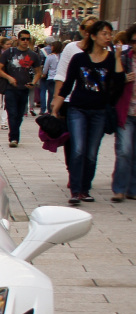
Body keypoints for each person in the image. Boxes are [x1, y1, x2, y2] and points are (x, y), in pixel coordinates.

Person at [53, 20, 121, 204]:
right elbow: (67, 85)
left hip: (99, 111)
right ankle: (75, 191)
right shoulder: (79, 59)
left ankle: (85, 188)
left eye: (110, 34)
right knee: (78, 149)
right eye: (104, 33)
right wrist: (56, 107)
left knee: (91, 153)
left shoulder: (111, 58)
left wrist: (118, 58)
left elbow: (118, 83)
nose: (108, 37)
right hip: (78, 109)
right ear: (93, 36)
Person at [0, 30, 43, 148]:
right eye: (23, 39)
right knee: (12, 113)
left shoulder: (33, 55)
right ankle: (14, 137)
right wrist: (9, 78)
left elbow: (38, 72)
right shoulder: (9, 53)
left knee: (20, 114)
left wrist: (33, 82)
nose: (25, 41)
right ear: (18, 40)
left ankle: (14, 134)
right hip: (11, 88)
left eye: (28, 39)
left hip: (24, 88)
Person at [112, 25, 136, 202]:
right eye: (134, 41)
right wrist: (124, 78)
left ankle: (132, 188)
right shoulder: (124, 59)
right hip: (126, 111)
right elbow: (112, 82)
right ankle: (119, 188)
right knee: (125, 151)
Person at [42, 41, 62, 114]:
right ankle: (58, 109)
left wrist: (43, 74)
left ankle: (50, 110)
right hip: (60, 78)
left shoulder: (49, 57)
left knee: (51, 95)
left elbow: (45, 68)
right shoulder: (62, 56)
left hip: (51, 77)